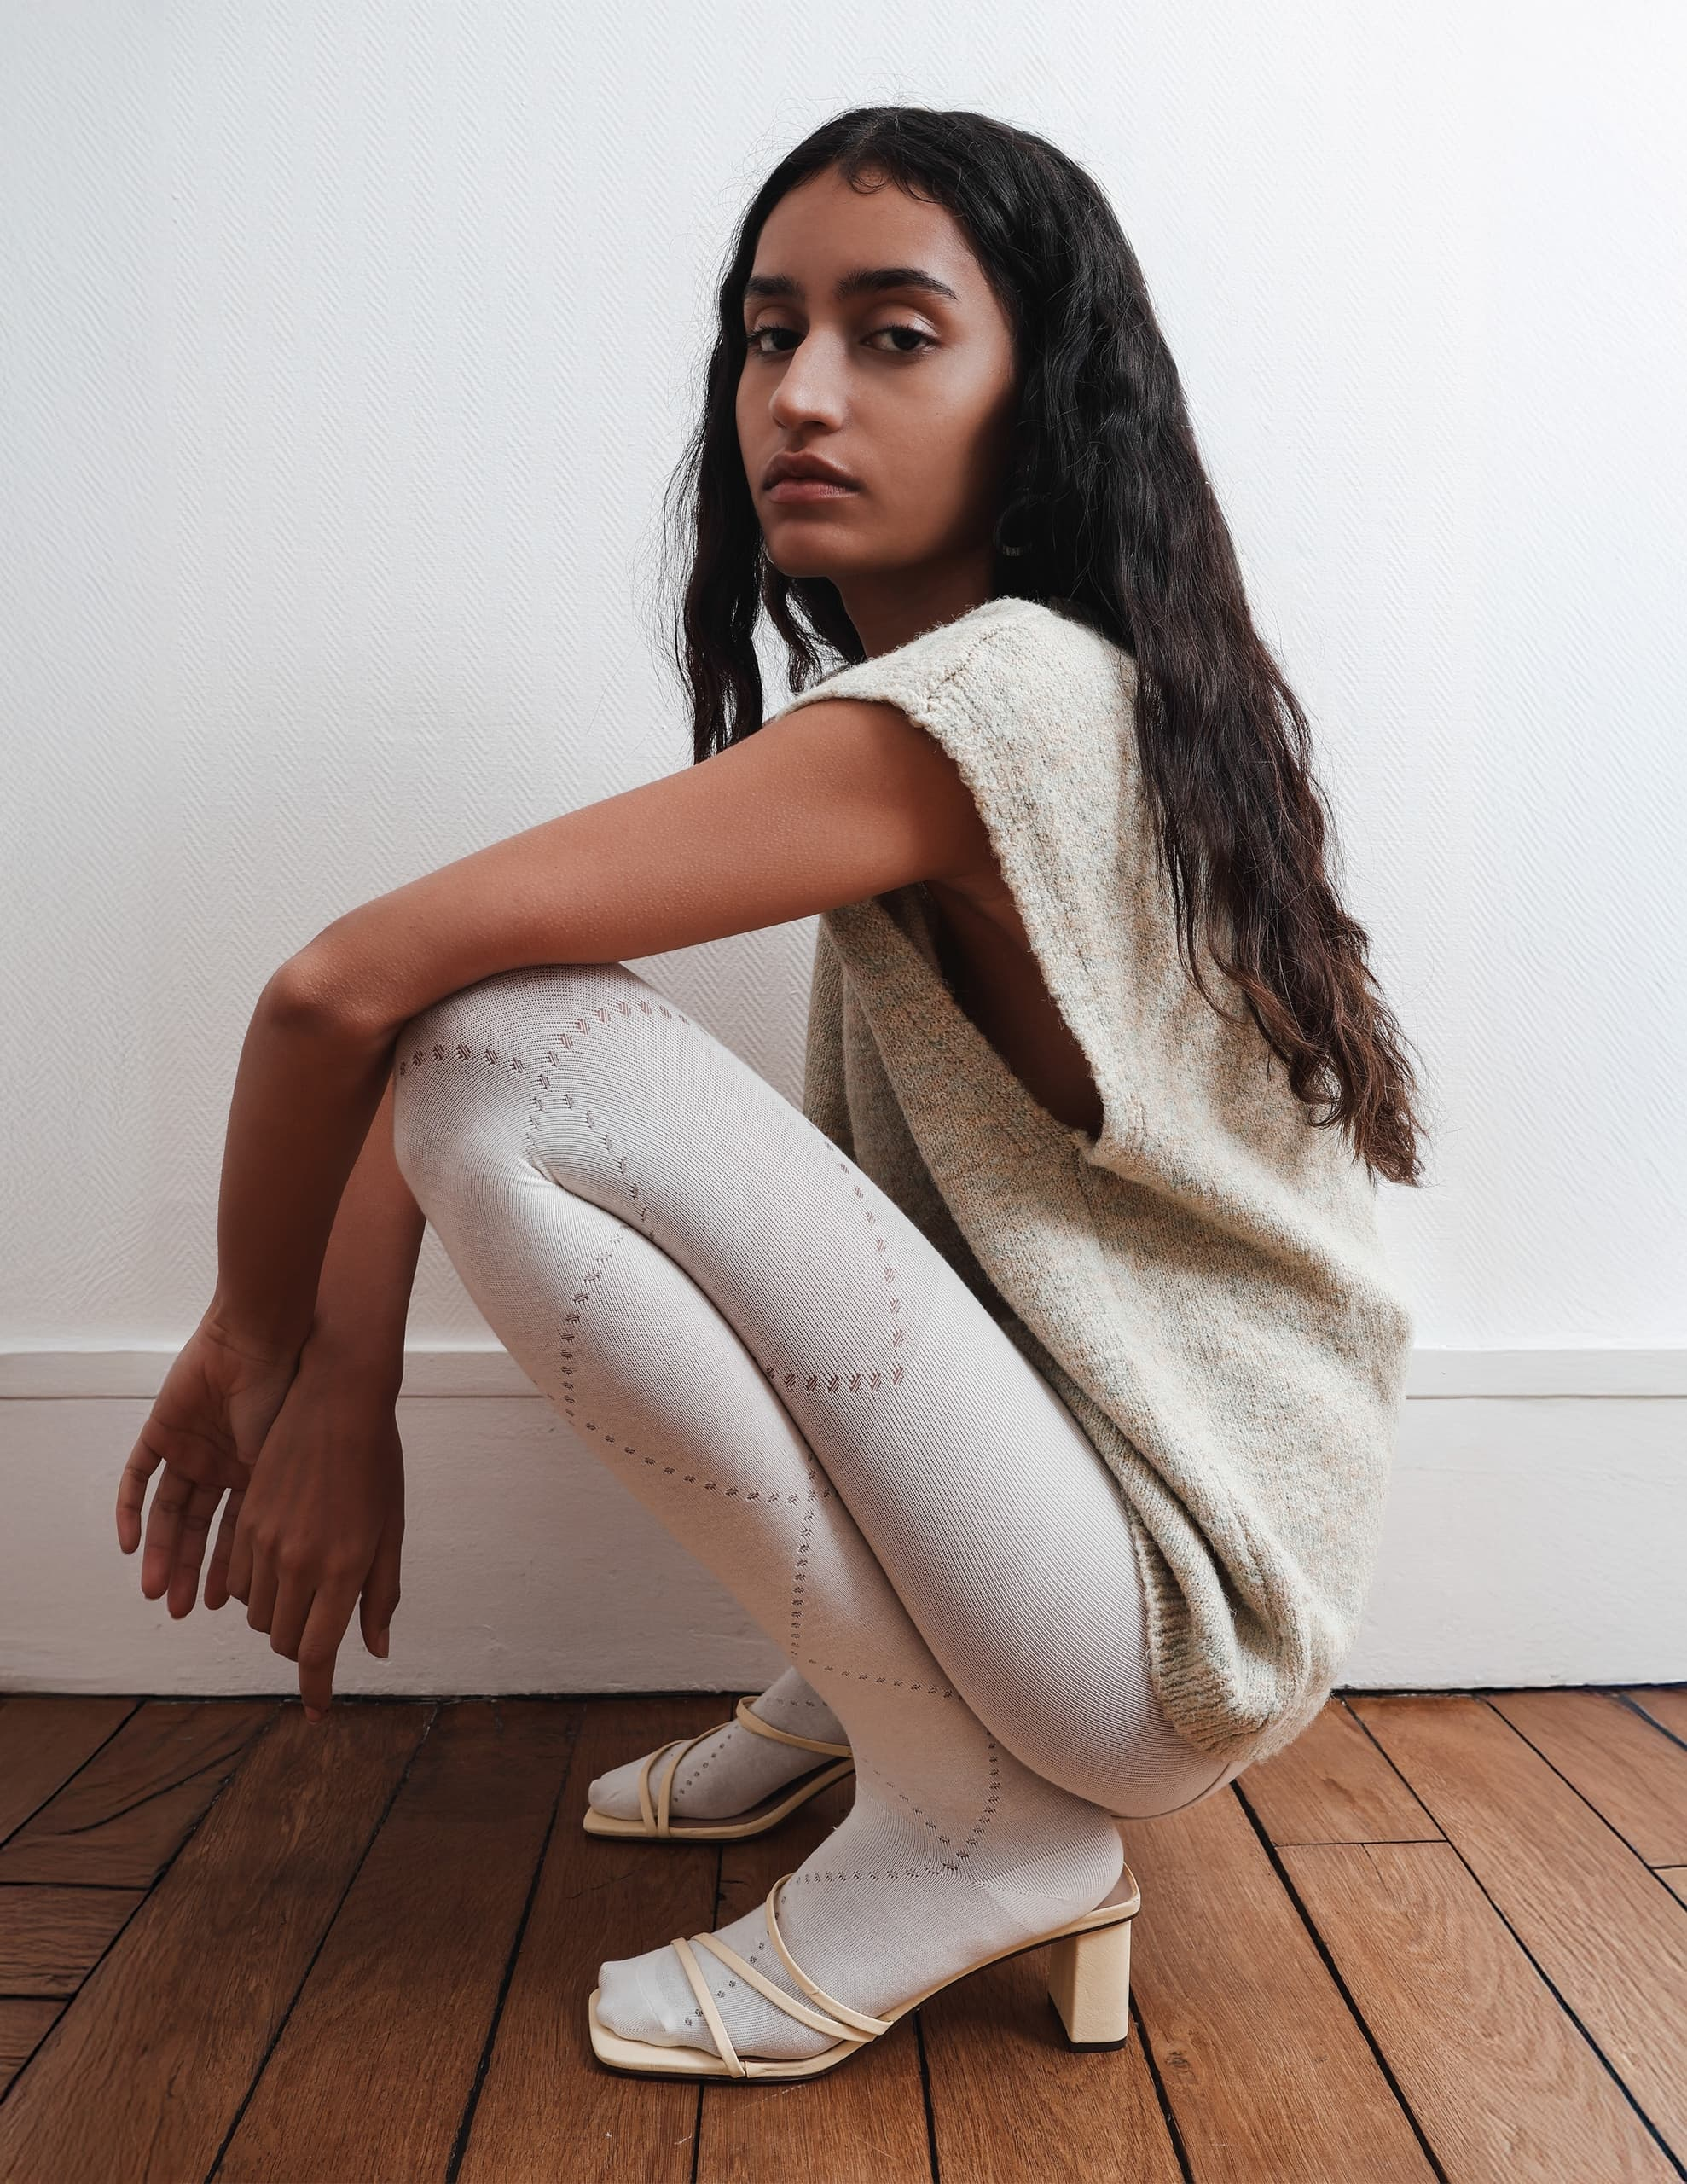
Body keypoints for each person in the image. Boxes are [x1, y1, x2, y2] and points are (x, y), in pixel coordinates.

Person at [114, 107, 1426, 2084]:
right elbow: (416, 1010)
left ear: (1034, 399)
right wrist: (350, 1362)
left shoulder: (978, 711)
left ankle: (979, 1817)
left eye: (893, 334)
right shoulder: (1024, 694)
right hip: (1139, 1537)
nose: (796, 394)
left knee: (504, 1054)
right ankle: (869, 1690)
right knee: (499, 1054)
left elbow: (344, 987)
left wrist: (261, 1344)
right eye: (762, 332)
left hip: (1156, 1613)